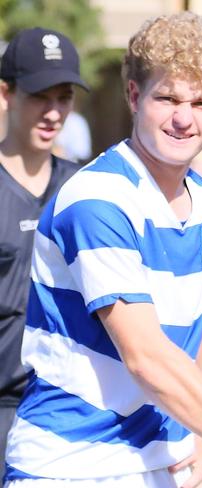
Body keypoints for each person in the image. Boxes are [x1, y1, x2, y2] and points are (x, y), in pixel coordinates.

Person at [3, 13, 202, 488]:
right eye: (168, 97)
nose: (183, 117)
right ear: (134, 96)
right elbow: (148, 357)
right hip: (70, 470)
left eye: (200, 102)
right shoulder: (97, 199)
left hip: (168, 468)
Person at [0, 27, 88, 480]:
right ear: (5, 94)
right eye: (40, 96)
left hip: (68, 413)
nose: (54, 112)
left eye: (64, 97)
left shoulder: (87, 189)